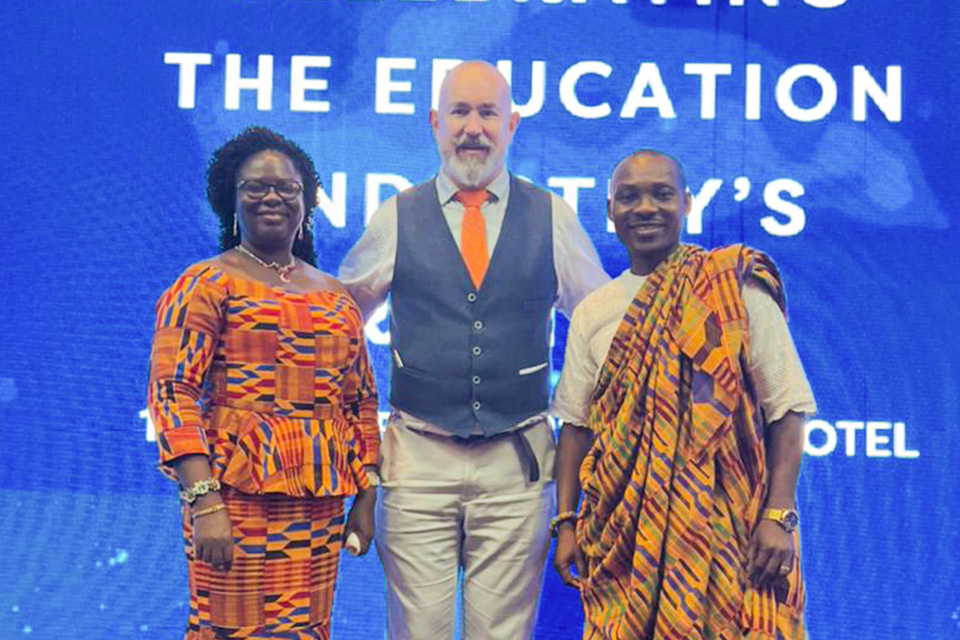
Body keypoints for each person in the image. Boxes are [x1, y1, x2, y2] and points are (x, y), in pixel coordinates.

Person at [339, 61, 609, 639]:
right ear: (434, 122)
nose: (473, 127)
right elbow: (336, 323)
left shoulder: (553, 216)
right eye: (459, 111)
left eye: (488, 112)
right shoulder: (396, 215)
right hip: (416, 462)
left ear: (512, 124)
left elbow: (604, 325)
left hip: (518, 464)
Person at [551, 150, 816, 640]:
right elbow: (576, 427)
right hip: (622, 542)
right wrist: (566, 522)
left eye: (662, 194)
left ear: (687, 203)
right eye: (628, 197)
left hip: (727, 534)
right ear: (610, 210)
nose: (645, 208)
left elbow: (788, 408)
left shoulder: (732, 290)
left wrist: (779, 515)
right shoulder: (593, 312)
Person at [147, 127, 380, 640]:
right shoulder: (205, 283)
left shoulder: (335, 295)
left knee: (307, 630)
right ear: (230, 200)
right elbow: (172, 393)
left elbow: (360, 401)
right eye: (255, 187)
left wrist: (366, 495)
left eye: (287, 188)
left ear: (307, 202)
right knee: (230, 630)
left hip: (319, 507)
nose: (272, 197)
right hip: (232, 504)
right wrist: (204, 502)